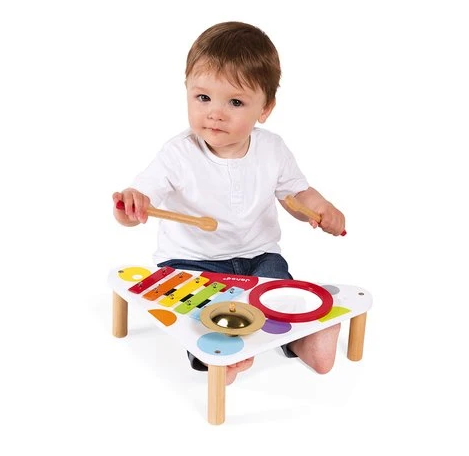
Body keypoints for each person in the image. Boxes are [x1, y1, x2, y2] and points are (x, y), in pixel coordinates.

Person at [113, 21, 346, 386]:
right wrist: (131, 208)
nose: (215, 113)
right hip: (191, 262)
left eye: (235, 102)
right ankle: (221, 356)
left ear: (265, 108)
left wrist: (321, 209)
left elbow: (296, 196)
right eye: (203, 98)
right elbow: (141, 199)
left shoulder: (273, 150)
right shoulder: (177, 154)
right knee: (197, 313)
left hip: (258, 257)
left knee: (281, 294)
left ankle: (305, 342)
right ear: (187, 92)